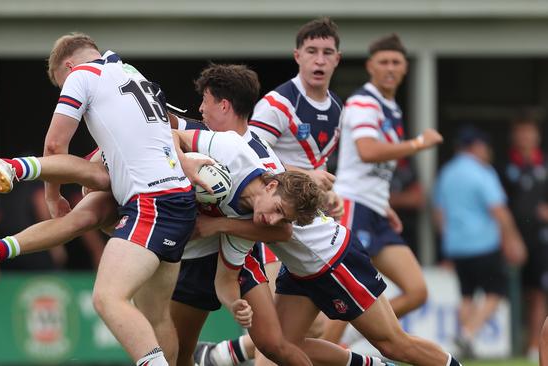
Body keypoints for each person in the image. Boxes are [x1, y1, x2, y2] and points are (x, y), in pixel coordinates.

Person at [0, 33, 198, 366]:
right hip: (178, 199)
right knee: (155, 317)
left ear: (68, 65)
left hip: (151, 202)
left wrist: (53, 195)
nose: (65, 89)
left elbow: (54, 146)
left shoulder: (82, 75)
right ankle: (10, 194)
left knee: (107, 298)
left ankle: (15, 168)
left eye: (62, 84)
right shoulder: (133, 73)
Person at [171, 64, 384, 366]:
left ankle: (224, 353)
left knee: (278, 343)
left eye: (205, 100)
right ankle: (222, 354)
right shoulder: (228, 146)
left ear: (224, 104)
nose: (201, 108)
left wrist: (216, 225)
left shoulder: (238, 155)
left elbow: (280, 228)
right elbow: (168, 131)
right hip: (204, 246)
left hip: (243, 245)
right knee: (184, 348)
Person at [208, 18, 345, 365]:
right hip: (270, 223)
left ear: (337, 59)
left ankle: (225, 354)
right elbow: (254, 155)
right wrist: (309, 175)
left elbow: (317, 169)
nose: (319, 60)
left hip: (305, 226)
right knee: (279, 334)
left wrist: (327, 196)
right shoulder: (278, 104)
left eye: (327, 52)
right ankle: (226, 354)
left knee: (307, 329)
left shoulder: (337, 108)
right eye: (312, 51)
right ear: (297, 55)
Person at [324, 33, 443, 344]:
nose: (390, 68)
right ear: (370, 67)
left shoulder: (392, 108)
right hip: (352, 208)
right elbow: (367, 151)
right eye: (384, 62)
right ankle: (327, 351)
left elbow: (374, 168)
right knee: (345, 293)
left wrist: (384, 203)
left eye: (396, 62)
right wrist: (418, 143)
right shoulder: (364, 101)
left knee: (417, 291)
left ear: (405, 68)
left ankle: (346, 341)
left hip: (375, 210)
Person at [434, 126, 526, 358]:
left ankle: (466, 344)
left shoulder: (446, 173)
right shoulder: (482, 172)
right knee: (496, 291)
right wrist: (513, 240)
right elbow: (499, 210)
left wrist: (447, 241)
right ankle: (467, 333)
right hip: (483, 244)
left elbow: (438, 213)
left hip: (456, 246)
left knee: (466, 295)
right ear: (475, 147)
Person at [501, 115, 548, 360]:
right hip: (509, 241)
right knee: (508, 291)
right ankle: (507, 344)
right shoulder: (504, 165)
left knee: (537, 294)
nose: (525, 137)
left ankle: (533, 345)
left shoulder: (544, 164)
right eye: (521, 132)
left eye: (529, 132)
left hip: (541, 242)